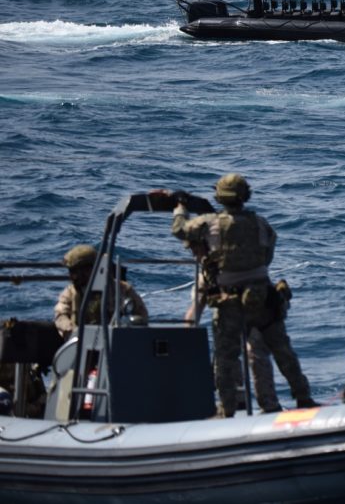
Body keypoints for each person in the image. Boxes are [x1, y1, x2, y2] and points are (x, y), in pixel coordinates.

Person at [170, 173, 317, 418]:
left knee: (226, 359)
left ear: (220, 197)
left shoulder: (210, 223)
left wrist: (180, 207)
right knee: (282, 351)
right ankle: (303, 397)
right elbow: (267, 255)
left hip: (229, 303)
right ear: (245, 196)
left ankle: (226, 411)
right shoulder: (261, 223)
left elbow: (179, 230)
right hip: (263, 298)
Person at [183, 248, 282, 414]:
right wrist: (186, 336)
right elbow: (195, 310)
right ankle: (236, 401)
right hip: (230, 316)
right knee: (228, 354)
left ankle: (267, 404)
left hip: (255, 309)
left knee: (254, 351)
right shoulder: (209, 275)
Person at [54, 244, 148, 338]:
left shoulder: (122, 289)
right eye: (71, 272)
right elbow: (60, 315)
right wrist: (73, 331)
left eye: (76, 271)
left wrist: (129, 324)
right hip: (81, 343)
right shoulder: (70, 292)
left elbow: (142, 315)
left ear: (91, 269)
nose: (73, 277)